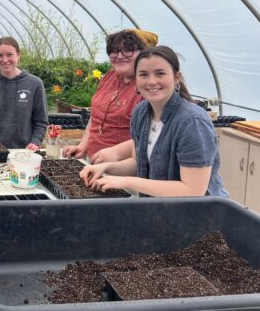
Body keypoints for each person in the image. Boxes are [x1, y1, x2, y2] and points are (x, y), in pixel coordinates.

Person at [79, 46, 228, 197]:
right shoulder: (141, 113)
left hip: (199, 215)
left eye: (160, 73)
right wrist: (105, 168)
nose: (151, 81)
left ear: (176, 78)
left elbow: (193, 191)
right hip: (158, 209)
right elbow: (138, 163)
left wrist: (126, 182)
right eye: (143, 74)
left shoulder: (192, 122)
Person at [64, 29, 158, 163]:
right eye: (114, 51)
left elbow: (153, 134)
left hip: (126, 168)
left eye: (128, 50)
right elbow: (95, 117)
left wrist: (116, 152)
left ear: (145, 53)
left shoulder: (150, 86)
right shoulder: (109, 77)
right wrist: (83, 146)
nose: (119, 56)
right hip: (94, 162)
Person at [0, 37, 48, 150]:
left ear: (18, 55)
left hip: (24, 152)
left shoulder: (34, 84)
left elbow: (41, 121)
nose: (5, 59)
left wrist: (35, 141)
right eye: (0, 55)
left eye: (9, 54)